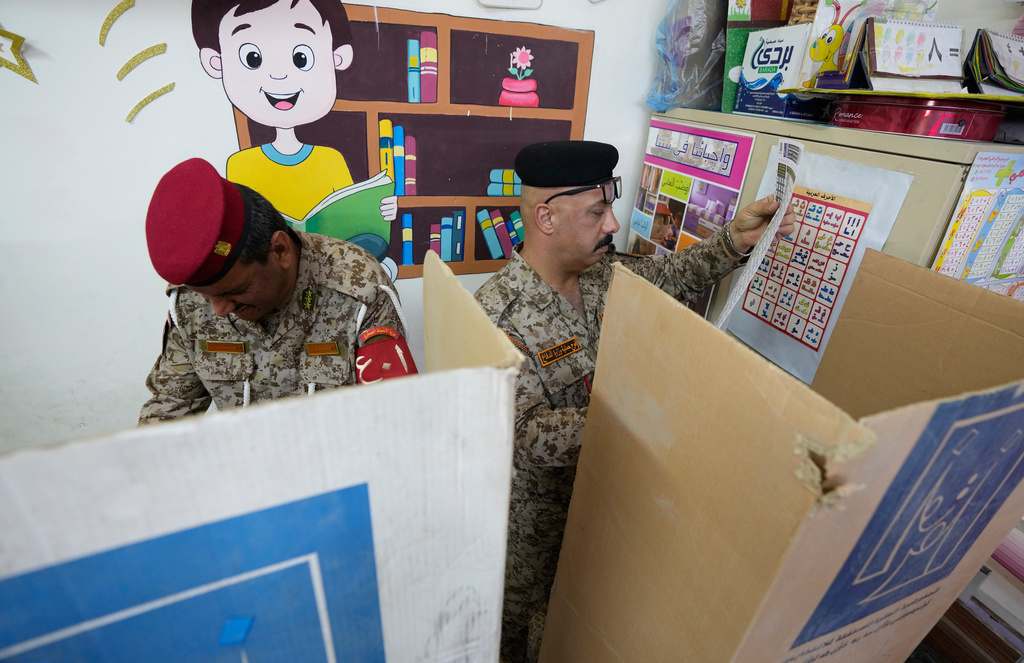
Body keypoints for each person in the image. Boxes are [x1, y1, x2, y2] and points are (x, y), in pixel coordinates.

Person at [473, 140, 796, 663]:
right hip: (537, 541)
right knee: (528, 640)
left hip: (611, 512)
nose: (611, 224)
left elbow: (672, 277)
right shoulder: (497, 315)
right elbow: (527, 435)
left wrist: (735, 240)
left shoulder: (603, 275)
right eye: (598, 211)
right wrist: (648, 406)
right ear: (546, 218)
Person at [139, 157, 415, 425]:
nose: (219, 310)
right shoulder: (188, 302)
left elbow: (393, 413)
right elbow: (169, 408)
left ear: (279, 251)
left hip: (339, 465)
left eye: (234, 291)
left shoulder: (358, 287)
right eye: (206, 296)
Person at [191, 0, 400, 278]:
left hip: (327, 267)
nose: (279, 75)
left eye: (301, 58)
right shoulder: (241, 164)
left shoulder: (331, 159)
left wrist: (379, 212)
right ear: (215, 62)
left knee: (382, 267)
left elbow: (348, 223)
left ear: (337, 57)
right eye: (253, 58)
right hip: (276, 274)